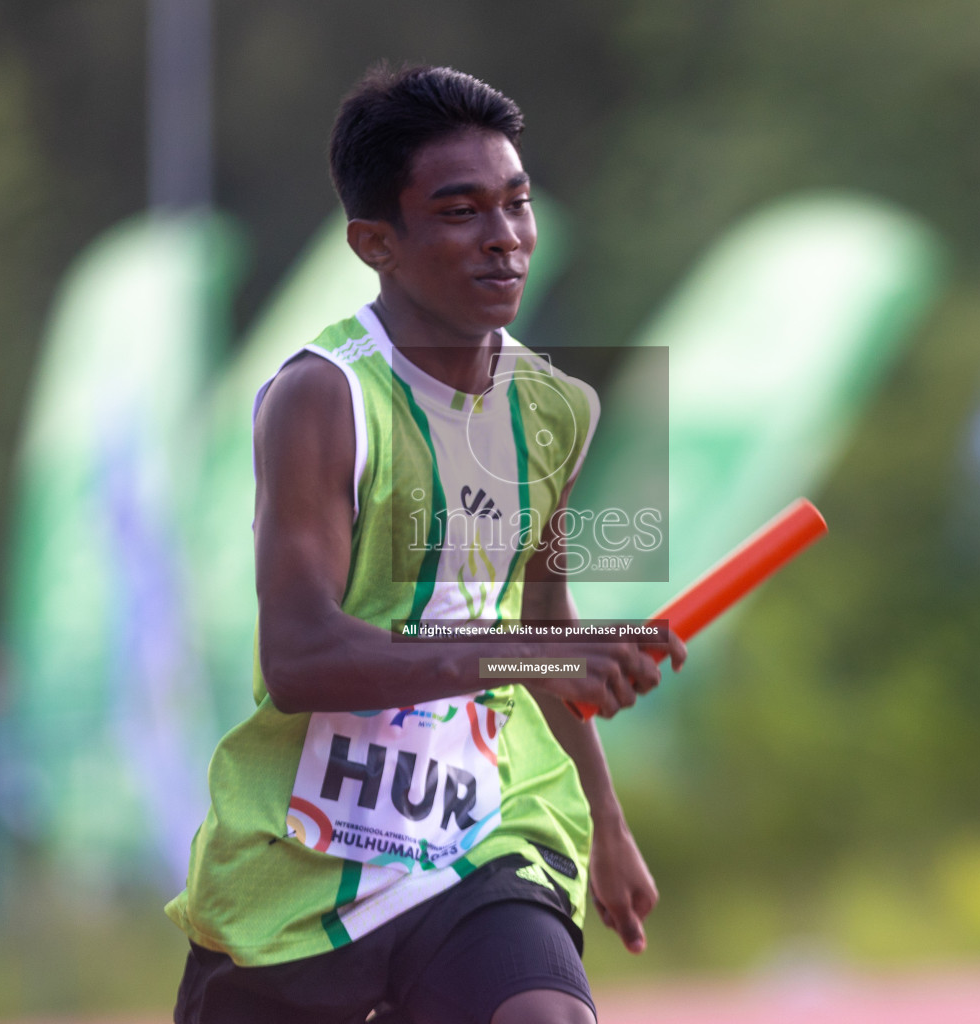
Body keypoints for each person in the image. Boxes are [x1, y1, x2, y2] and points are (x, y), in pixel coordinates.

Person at [166, 64, 685, 1024]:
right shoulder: (322, 399)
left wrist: (606, 824)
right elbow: (300, 658)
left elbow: (542, 628)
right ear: (378, 244)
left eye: (517, 204)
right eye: (460, 212)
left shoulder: (558, 407)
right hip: (304, 861)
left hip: (483, 830)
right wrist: (535, 652)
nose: (505, 240)